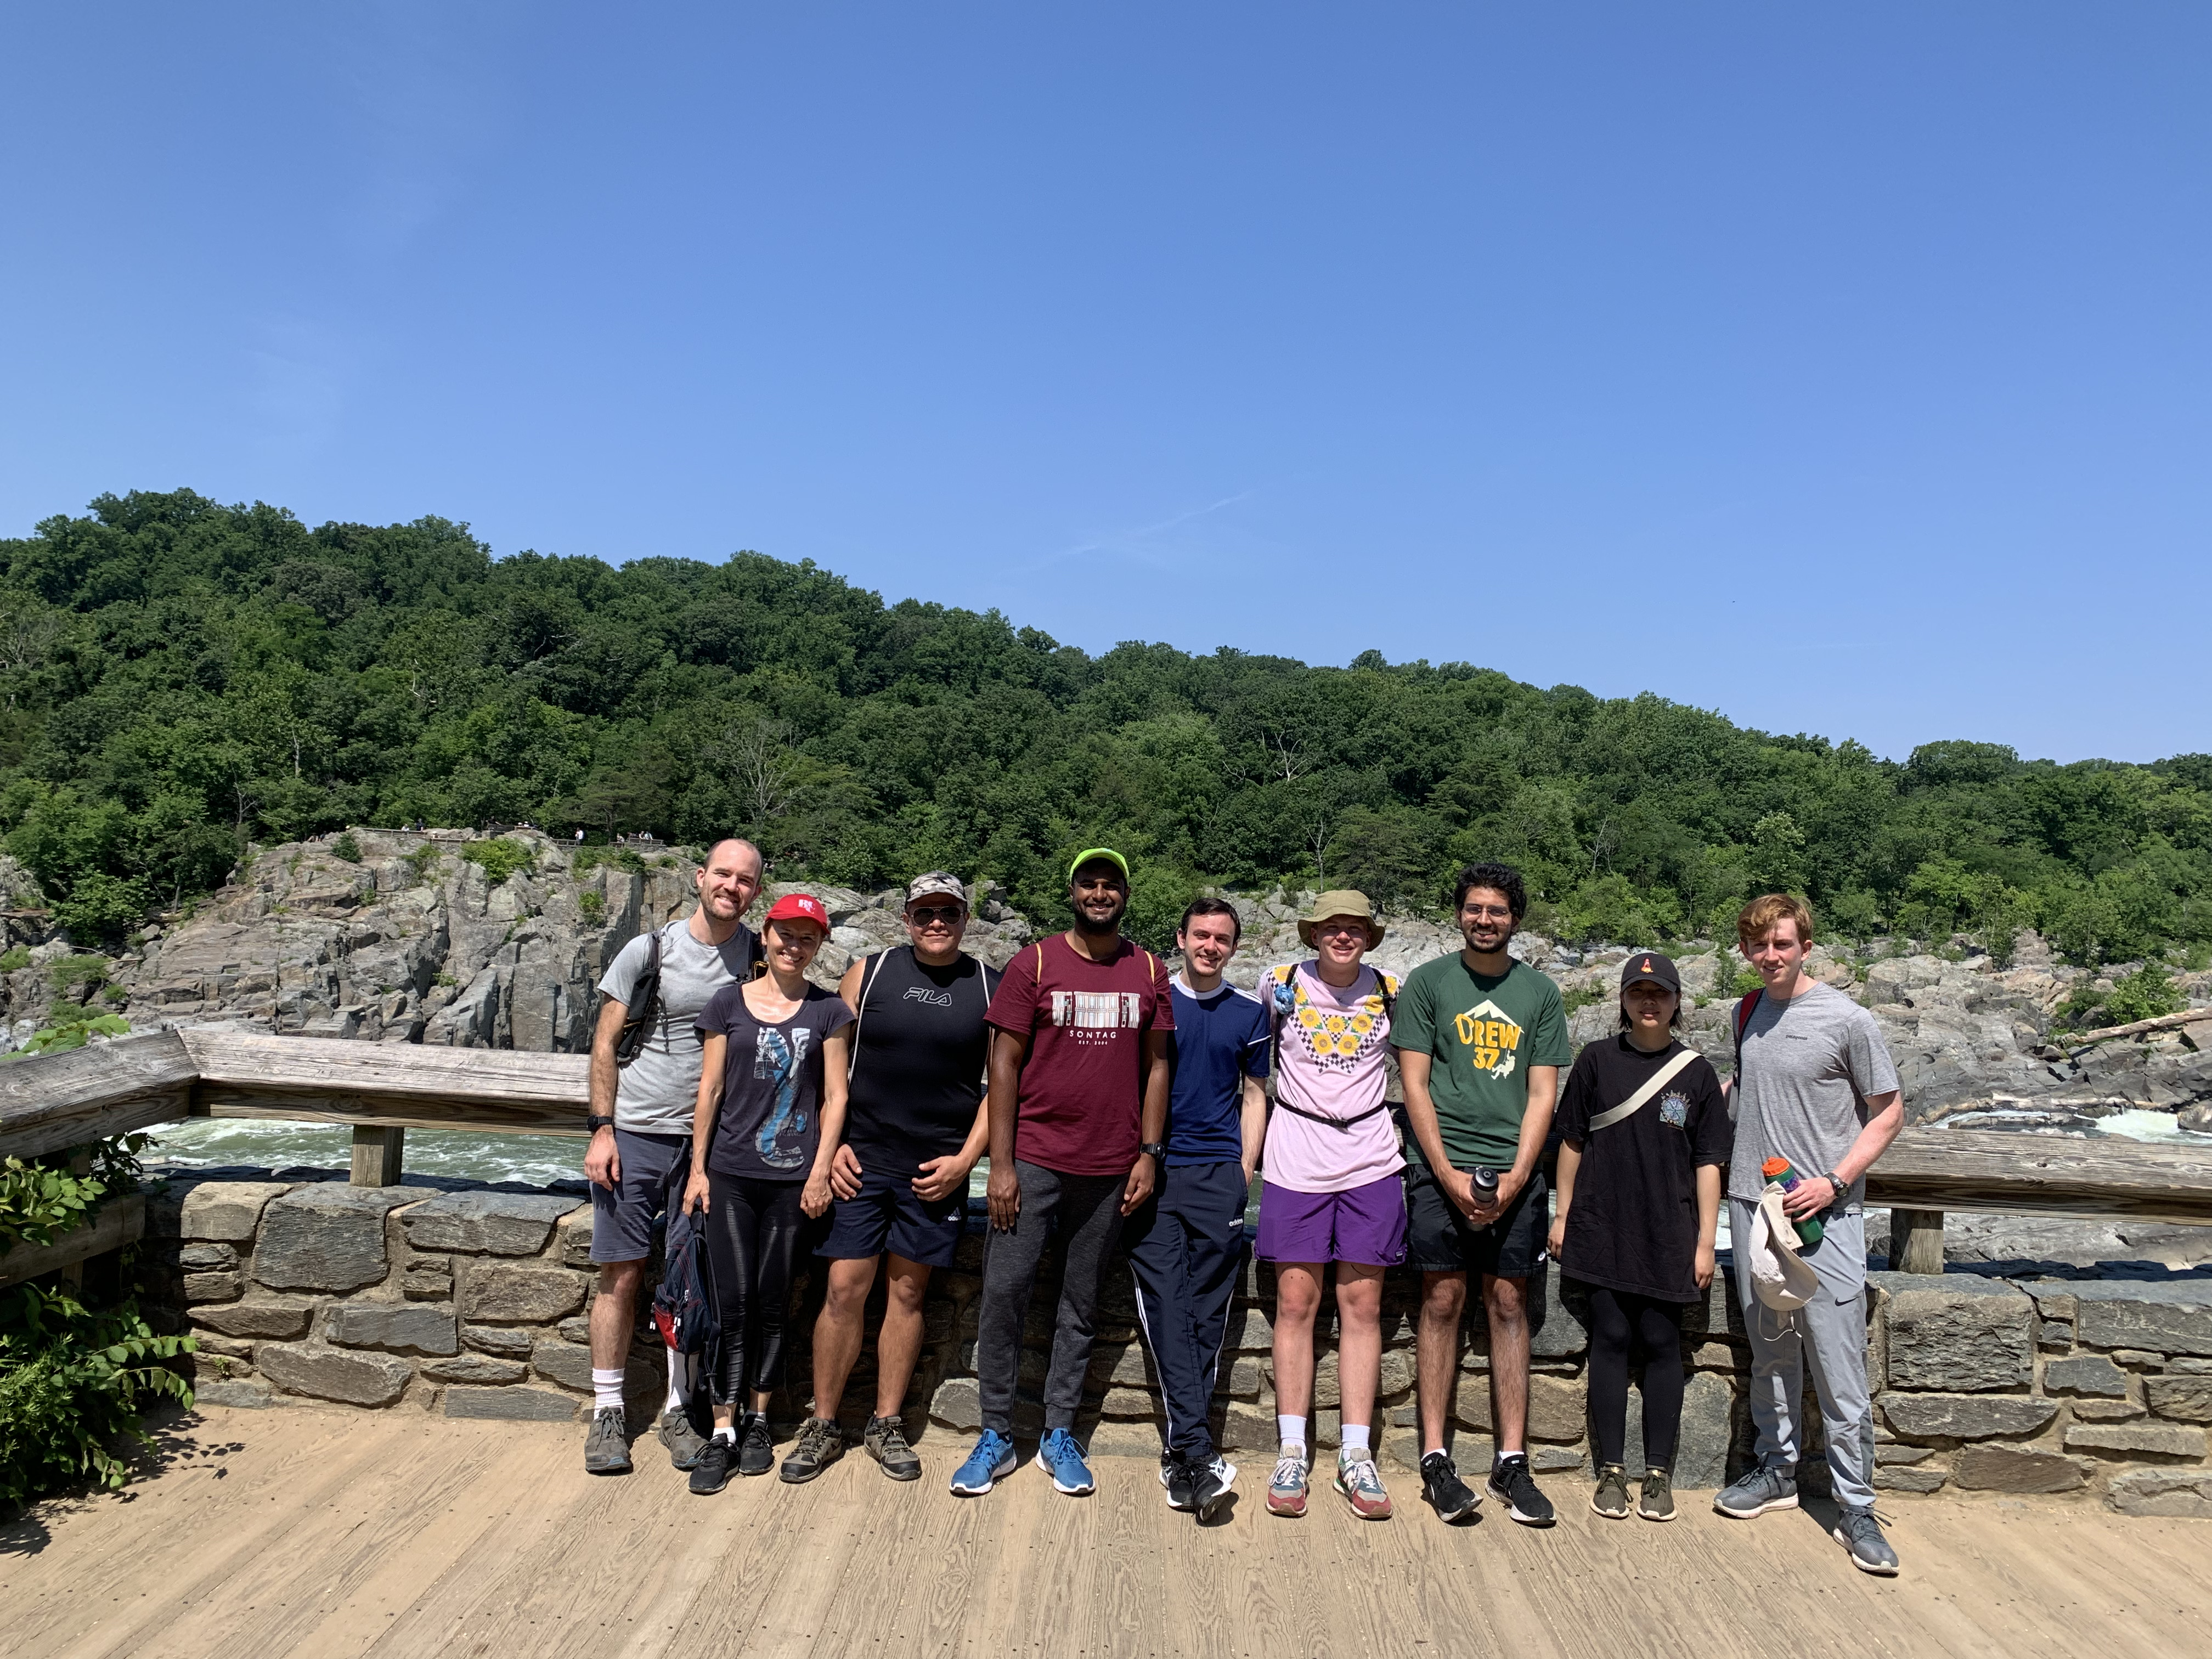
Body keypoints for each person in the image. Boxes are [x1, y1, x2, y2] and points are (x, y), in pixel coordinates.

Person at [950, 848, 1173, 1499]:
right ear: (1073, 892)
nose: (1099, 893)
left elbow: (1158, 1066)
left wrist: (1149, 1154)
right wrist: (1002, 1165)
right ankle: (995, 1432)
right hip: (1037, 1164)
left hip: (1109, 1169)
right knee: (1003, 1295)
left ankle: (1058, 1434)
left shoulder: (1149, 969)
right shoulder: (1037, 962)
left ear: (1126, 893)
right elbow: (1005, 1067)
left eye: (1111, 885)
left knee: (1080, 1306)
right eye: (1089, 883)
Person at [1715, 893, 1906, 1576]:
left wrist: (1833, 1179)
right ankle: (1776, 1470)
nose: (1771, 957)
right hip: (1751, 1207)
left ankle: (1858, 1506)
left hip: (1826, 1215)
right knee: (1770, 1353)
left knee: (1838, 1365)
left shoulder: (1848, 1020)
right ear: (1746, 949)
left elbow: (1888, 1114)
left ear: (1806, 947)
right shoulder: (1745, 1012)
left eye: (1784, 945)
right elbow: (1744, 1090)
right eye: (1760, 946)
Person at [798, 873, 1001, 1484]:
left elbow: (1003, 1086)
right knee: (843, 1289)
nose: (936, 923)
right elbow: (828, 1066)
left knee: (909, 1294)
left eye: (948, 912)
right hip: (861, 1161)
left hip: (936, 1169)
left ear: (965, 918)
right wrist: (828, 1150)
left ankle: (886, 1423)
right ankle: (824, 1423)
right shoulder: (870, 971)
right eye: (924, 912)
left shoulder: (990, 984)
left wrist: (967, 1162)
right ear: (906, 918)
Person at [1392, 862, 1571, 1526]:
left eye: (1497, 910)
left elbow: (1543, 1092)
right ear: (1459, 914)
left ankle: (1512, 1461)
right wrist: (1445, 1173)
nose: (1485, 919)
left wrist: (1520, 1176)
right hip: (1440, 1169)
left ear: (1515, 919)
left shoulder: (1541, 994)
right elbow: (1415, 1087)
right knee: (1440, 1300)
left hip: (1514, 1171)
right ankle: (1435, 1458)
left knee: (1507, 1302)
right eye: (1474, 909)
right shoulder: (1428, 983)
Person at [581, 837, 764, 1476]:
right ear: (700, 877)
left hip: (710, 1149)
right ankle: (607, 1413)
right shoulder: (650, 950)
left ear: (755, 892)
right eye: (723, 874)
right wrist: (602, 1130)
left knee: (692, 1283)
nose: (731, 887)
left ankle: (678, 1410)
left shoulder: (760, 958)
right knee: (622, 1273)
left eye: (745, 880)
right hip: (635, 1133)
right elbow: (604, 1044)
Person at [680, 891, 855, 1495]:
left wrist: (820, 1170)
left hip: (792, 1181)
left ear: (818, 946)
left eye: (808, 937)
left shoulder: (830, 1011)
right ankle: (722, 1429)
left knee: (774, 1302)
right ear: (767, 934)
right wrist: (697, 1171)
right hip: (730, 1174)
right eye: (786, 932)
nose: (794, 944)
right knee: (734, 1304)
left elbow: (837, 1097)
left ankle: (759, 1419)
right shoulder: (727, 1003)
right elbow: (709, 1092)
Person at [1547, 952, 1727, 1523]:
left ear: (1677, 1003)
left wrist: (1705, 1242)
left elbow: (1708, 1161)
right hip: (1602, 1225)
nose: (1649, 1002)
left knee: (1660, 1341)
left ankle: (1658, 1474)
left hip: (1670, 1231)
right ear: (1623, 1001)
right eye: (1638, 992)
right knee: (1612, 1336)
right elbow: (1572, 1141)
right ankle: (1611, 1472)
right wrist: (1562, 1215)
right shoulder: (1597, 1061)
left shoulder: (1696, 1073)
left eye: (1661, 993)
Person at [1257, 890, 1404, 1522]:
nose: (1342, 937)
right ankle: (1293, 1448)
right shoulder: (1278, 983)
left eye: (1354, 929)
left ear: (1368, 937)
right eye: (1331, 928)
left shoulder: (1395, 990)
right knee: (1295, 1302)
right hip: (1295, 1155)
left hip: (1371, 1157)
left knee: (1363, 1305)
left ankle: (1355, 1454)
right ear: (1313, 933)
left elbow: (1426, 1072)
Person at [1126, 897, 1268, 1521]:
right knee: (1165, 1305)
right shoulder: (1153, 1003)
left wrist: (1243, 1170)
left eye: (1222, 938)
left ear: (1234, 947)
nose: (1210, 946)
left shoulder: (1250, 1013)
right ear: (1180, 938)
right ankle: (1196, 1449)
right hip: (1155, 1171)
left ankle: (1183, 1453)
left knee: (1208, 1313)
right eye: (1201, 935)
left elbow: (1256, 1095)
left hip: (1219, 1176)